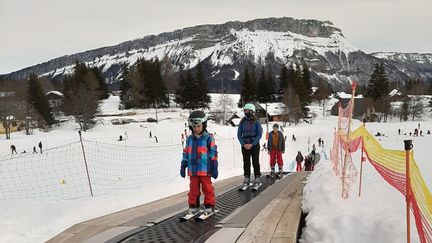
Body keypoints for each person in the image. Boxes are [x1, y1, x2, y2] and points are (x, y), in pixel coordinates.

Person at [181, 110, 218, 215]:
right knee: (193, 189)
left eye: (199, 126)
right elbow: (186, 152)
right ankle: (193, 205)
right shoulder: (189, 139)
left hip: (205, 169)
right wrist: (183, 165)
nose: (196, 129)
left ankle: (209, 205)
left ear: (204, 125)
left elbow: (213, 152)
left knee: (207, 188)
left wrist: (214, 165)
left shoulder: (208, 138)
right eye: (194, 127)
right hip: (193, 170)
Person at [237, 103, 263, 187]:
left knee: (255, 161)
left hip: (254, 144)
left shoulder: (256, 121)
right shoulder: (242, 122)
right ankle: (247, 177)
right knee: (246, 162)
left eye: (247, 110)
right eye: (245, 110)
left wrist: (252, 144)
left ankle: (257, 176)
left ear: (252, 111)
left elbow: (259, 134)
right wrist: (243, 144)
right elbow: (239, 134)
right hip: (245, 144)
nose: (246, 112)